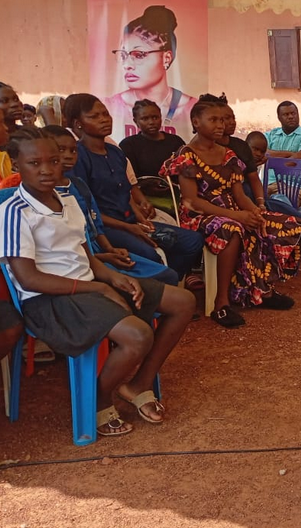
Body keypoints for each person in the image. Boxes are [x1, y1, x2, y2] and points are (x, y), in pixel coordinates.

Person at [0, 127, 194, 436]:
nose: (46, 170)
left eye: (53, 161)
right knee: (138, 335)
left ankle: (139, 384)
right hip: (49, 301)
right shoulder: (13, 211)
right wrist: (99, 287)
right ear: (16, 164)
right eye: (34, 163)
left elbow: (85, 256)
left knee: (183, 301)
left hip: (87, 285)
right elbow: (29, 278)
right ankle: (100, 400)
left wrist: (115, 277)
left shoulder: (68, 200)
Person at [161, 99, 301, 328]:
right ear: (196, 122)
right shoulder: (187, 156)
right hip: (199, 216)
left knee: (286, 224)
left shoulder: (229, 155)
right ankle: (221, 303)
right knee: (232, 229)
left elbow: (240, 195)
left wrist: (254, 210)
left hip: (232, 211)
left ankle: (262, 289)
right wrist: (238, 216)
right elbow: (192, 202)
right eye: (213, 120)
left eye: (221, 120)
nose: (220, 125)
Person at [66, 93, 203, 282]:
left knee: (193, 241)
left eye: (105, 114)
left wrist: (141, 219)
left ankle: (169, 283)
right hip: (105, 228)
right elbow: (87, 211)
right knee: (151, 254)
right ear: (78, 124)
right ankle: (162, 284)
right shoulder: (78, 157)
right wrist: (130, 228)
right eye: (94, 116)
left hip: (129, 220)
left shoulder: (115, 152)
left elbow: (126, 192)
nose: (104, 119)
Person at [43, 125, 179, 287]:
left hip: (96, 250)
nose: (68, 156)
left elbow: (94, 223)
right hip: (79, 262)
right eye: (61, 150)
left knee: (168, 275)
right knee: (151, 277)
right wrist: (102, 257)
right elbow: (63, 247)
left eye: (73, 151)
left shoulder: (78, 185)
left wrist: (109, 249)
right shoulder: (46, 194)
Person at [103, 5, 198, 141]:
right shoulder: (109, 107)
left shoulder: (193, 108)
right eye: (123, 55)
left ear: (166, 58)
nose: (127, 65)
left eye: (139, 54)